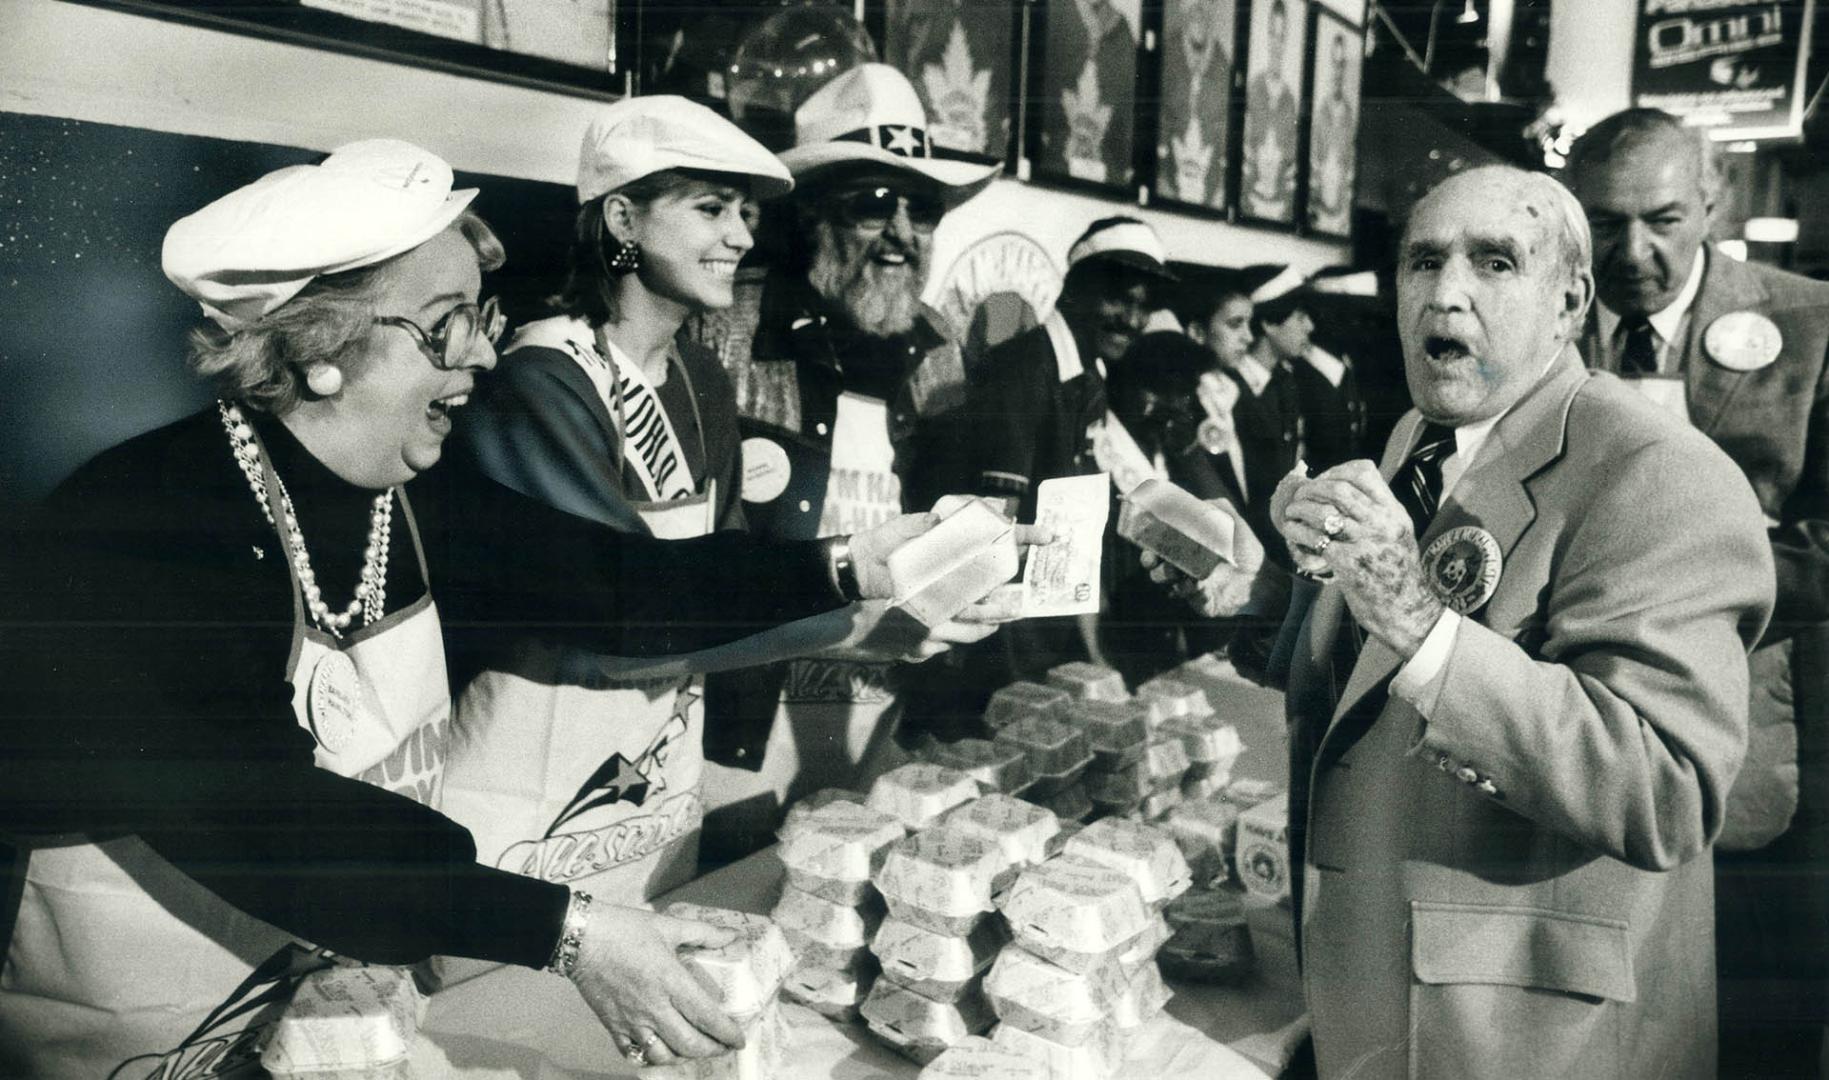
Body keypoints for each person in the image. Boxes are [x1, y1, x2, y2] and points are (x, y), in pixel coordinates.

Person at [0, 139, 952, 1077]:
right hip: (145, 1026)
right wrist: (569, 931)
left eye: (482, 317)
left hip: (337, 1005)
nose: (485, 354)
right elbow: (261, 817)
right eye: (447, 324)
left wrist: (852, 563)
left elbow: (619, 589)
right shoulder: (134, 525)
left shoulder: (406, 495)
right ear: (321, 344)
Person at [1152, 165, 1773, 1077]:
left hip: (1521, 1034)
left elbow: (1664, 790)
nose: (1445, 294)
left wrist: (1412, 613)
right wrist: (1262, 596)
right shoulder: (1421, 435)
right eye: (1423, 261)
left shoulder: (1659, 473)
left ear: (1569, 301)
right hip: (1378, 985)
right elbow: (1383, 676)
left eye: (1493, 262)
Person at [439, 97, 809, 907]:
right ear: (622, 219)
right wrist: (848, 623)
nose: (741, 236)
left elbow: (727, 571)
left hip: (655, 772)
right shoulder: (542, 377)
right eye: (710, 208)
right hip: (533, 781)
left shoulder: (699, 376)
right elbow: (620, 614)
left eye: (744, 213)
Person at [1566, 107, 1829, 1077]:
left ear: (1710, 201)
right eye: (1602, 224)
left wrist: (1681, 586)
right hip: (1577, 738)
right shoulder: (1538, 330)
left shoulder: (1809, 325)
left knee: (1754, 1021)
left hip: (1758, 737)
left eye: (1662, 219)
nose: (1632, 252)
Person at [685, 63, 1002, 851]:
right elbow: (676, 562)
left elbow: (953, 522)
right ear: (810, 216)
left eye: (920, 209)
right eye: (871, 204)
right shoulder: (723, 328)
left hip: (878, 719)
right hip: (735, 724)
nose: (900, 234)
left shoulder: (937, 346)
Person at [953, 215, 1176, 677]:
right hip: (1002, 639)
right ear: (1076, 288)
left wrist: (1092, 653)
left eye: (1144, 305)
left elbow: (1076, 528)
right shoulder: (1022, 368)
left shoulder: (1089, 373)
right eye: (1118, 297)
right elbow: (993, 530)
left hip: (1054, 630)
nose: (1133, 320)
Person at [1250, 264, 1368, 472]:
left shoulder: (1284, 381)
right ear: (1269, 323)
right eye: (1300, 317)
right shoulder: (1286, 380)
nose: (1310, 326)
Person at [1158, 0, 1234, 207]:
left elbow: (1225, 140)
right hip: (1166, 191)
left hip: (1206, 200)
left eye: (1207, 1)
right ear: (1182, 4)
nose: (1199, 7)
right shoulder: (1164, 56)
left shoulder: (1224, 67)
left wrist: (1218, 193)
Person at [1241, 0, 1299, 220]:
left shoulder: (1291, 101)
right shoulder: (1253, 89)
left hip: (1278, 210)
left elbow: (1291, 163)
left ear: (1286, 42)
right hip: (1248, 204)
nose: (1277, 43)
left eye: (1281, 36)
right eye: (1273, 34)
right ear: (1267, 37)